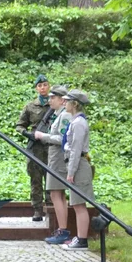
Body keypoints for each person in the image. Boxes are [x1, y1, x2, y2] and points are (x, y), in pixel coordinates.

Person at [33, 84, 73, 244]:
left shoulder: (65, 116)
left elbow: (63, 139)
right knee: (57, 194)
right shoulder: (59, 114)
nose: (50, 100)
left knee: (56, 194)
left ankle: (63, 230)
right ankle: (62, 229)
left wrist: (43, 136)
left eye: (53, 97)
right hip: (55, 158)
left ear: (62, 100)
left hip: (58, 159)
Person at [61, 89, 94, 250]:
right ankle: (80, 238)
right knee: (76, 203)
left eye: (67, 101)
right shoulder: (75, 121)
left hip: (79, 165)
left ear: (74, 104)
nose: (64, 103)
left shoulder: (79, 123)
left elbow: (76, 149)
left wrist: (71, 172)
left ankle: (82, 240)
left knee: (79, 204)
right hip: (76, 163)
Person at [16, 75, 51, 221]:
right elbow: (19, 125)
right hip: (35, 148)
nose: (42, 88)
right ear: (36, 88)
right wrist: (27, 134)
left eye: (45, 85)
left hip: (51, 146)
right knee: (35, 180)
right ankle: (37, 210)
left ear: (48, 86)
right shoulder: (30, 106)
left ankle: (51, 209)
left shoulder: (54, 105)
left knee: (51, 179)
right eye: (40, 85)